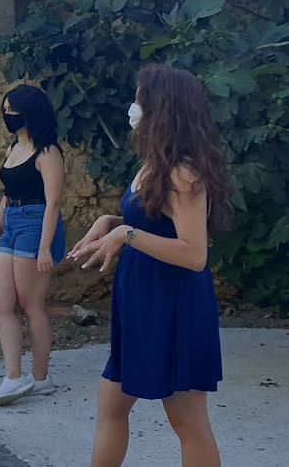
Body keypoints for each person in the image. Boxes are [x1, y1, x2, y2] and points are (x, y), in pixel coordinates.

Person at [68, 65, 229, 466]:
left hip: (173, 304)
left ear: (160, 107)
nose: (132, 107)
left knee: (186, 420)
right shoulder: (153, 164)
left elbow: (194, 254)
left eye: (139, 99)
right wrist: (110, 222)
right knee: (111, 404)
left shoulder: (183, 173)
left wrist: (126, 235)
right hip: (141, 301)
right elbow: (153, 223)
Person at [0, 85, 66, 405]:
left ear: (30, 112)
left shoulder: (48, 152)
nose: (7, 114)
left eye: (12, 109)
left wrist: (45, 247)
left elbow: (53, 202)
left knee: (31, 304)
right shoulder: (13, 147)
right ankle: (13, 377)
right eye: (4, 109)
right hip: (12, 222)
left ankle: (41, 378)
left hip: (35, 223)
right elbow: (6, 197)